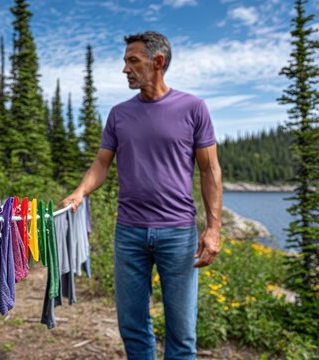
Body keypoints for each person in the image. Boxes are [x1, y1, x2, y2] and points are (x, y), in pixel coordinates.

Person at [62, 31, 223, 359]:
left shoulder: (193, 108)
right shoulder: (119, 114)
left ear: (158, 62)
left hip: (178, 233)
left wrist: (213, 228)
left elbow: (210, 171)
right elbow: (101, 164)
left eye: (132, 61)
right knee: (132, 326)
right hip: (129, 233)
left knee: (182, 332)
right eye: (125, 62)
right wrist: (80, 192)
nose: (125, 69)